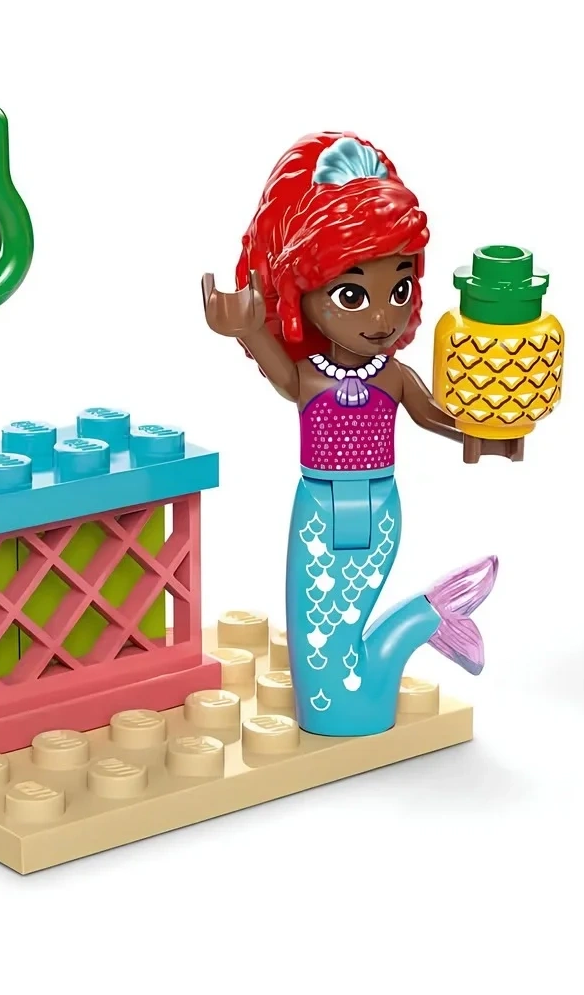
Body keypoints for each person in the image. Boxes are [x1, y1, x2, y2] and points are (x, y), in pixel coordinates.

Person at [202, 132, 497, 736]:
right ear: (299, 295)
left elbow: (432, 414)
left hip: (381, 508)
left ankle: (409, 640)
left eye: (399, 288)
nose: (383, 317)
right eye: (351, 294)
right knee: (320, 635)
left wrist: (482, 435)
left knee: (335, 623)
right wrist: (247, 328)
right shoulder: (309, 376)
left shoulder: (393, 376)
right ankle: (422, 624)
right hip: (318, 507)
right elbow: (280, 373)